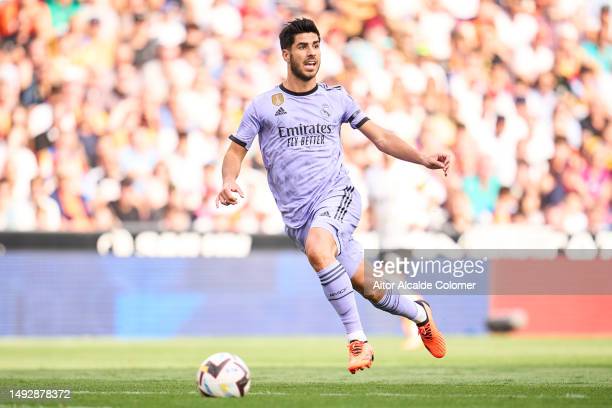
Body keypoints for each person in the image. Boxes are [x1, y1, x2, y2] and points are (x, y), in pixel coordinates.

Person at [216, 18, 449, 374]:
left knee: (319, 248)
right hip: (299, 216)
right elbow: (236, 150)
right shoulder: (264, 105)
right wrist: (228, 180)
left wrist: (422, 158)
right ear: (286, 54)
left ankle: (357, 341)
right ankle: (421, 314)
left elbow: (381, 137)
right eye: (302, 47)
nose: (311, 53)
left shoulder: (335, 97)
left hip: (338, 197)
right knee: (370, 288)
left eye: (316, 45)